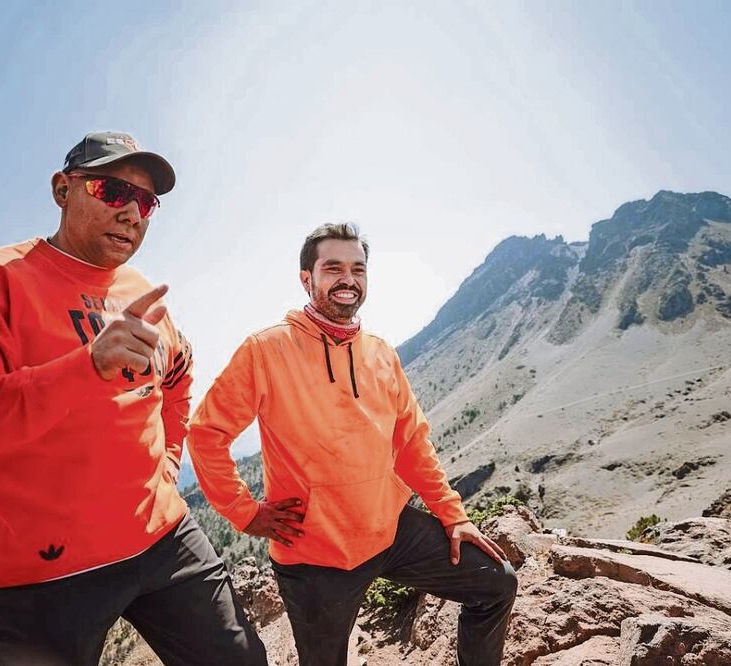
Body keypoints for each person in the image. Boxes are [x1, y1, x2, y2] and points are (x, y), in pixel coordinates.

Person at [0, 131, 266, 666]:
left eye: (145, 202)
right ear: (62, 189)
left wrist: (167, 460)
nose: (131, 213)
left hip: (162, 536)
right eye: (112, 191)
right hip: (40, 575)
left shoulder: (136, 286)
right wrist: (85, 368)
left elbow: (178, 375)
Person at [187, 222, 518, 666]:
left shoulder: (381, 352)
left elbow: (412, 443)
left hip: (390, 530)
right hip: (313, 553)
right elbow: (207, 433)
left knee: (496, 585)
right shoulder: (266, 349)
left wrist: (453, 516)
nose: (349, 279)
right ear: (308, 278)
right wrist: (245, 513)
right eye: (334, 268)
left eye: (358, 269)